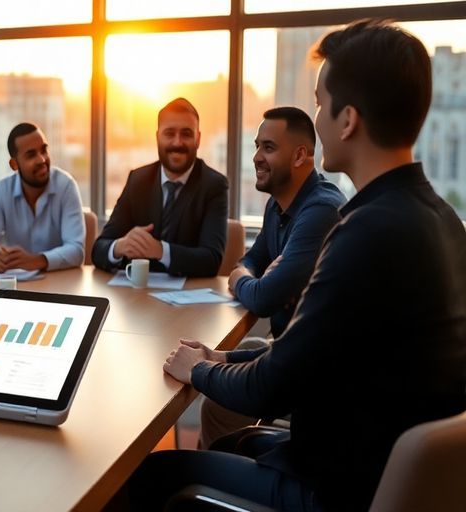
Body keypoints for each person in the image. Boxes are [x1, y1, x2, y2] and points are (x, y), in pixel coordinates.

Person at [126, 19, 466, 511]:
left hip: (333, 487)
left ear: (347, 120)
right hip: (373, 465)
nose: (318, 118)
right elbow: (307, 355)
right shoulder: (439, 218)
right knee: (227, 446)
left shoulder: (366, 233)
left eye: (320, 104)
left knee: (148, 474)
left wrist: (199, 370)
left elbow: (273, 386)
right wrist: (220, 360)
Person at [200, 107, 346, 449]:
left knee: (212, 385)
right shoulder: (278, 204)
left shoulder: (320, 209)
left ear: (299, 156)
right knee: (221, 392)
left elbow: (265, 297)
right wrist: (252, 275)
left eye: (268, 147)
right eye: (256, 146)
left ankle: (222, 482)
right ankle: (225, 471)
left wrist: (240, 281)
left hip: (310, 372)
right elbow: (252, 260)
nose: (256, 157)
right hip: (285, 348)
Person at [92, 98, 228, 277]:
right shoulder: (138, 180)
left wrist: (160, 250)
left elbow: (211, 260)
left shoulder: (214, 185)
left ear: (198, 138)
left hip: (189, 299)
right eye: (169, 133)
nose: (177, 142)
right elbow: (98, 249)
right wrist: (120, 246)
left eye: (186, 134)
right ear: (157, 137)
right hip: (137, 295)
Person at [0, 122, 85, 272]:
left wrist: (37, 260)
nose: (42, 160)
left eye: (44, 150)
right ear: (14, 165)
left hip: (60, 287)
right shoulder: (3, 189)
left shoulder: (66, 186)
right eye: (31, 155)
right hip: (19, 287)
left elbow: (77, 251)